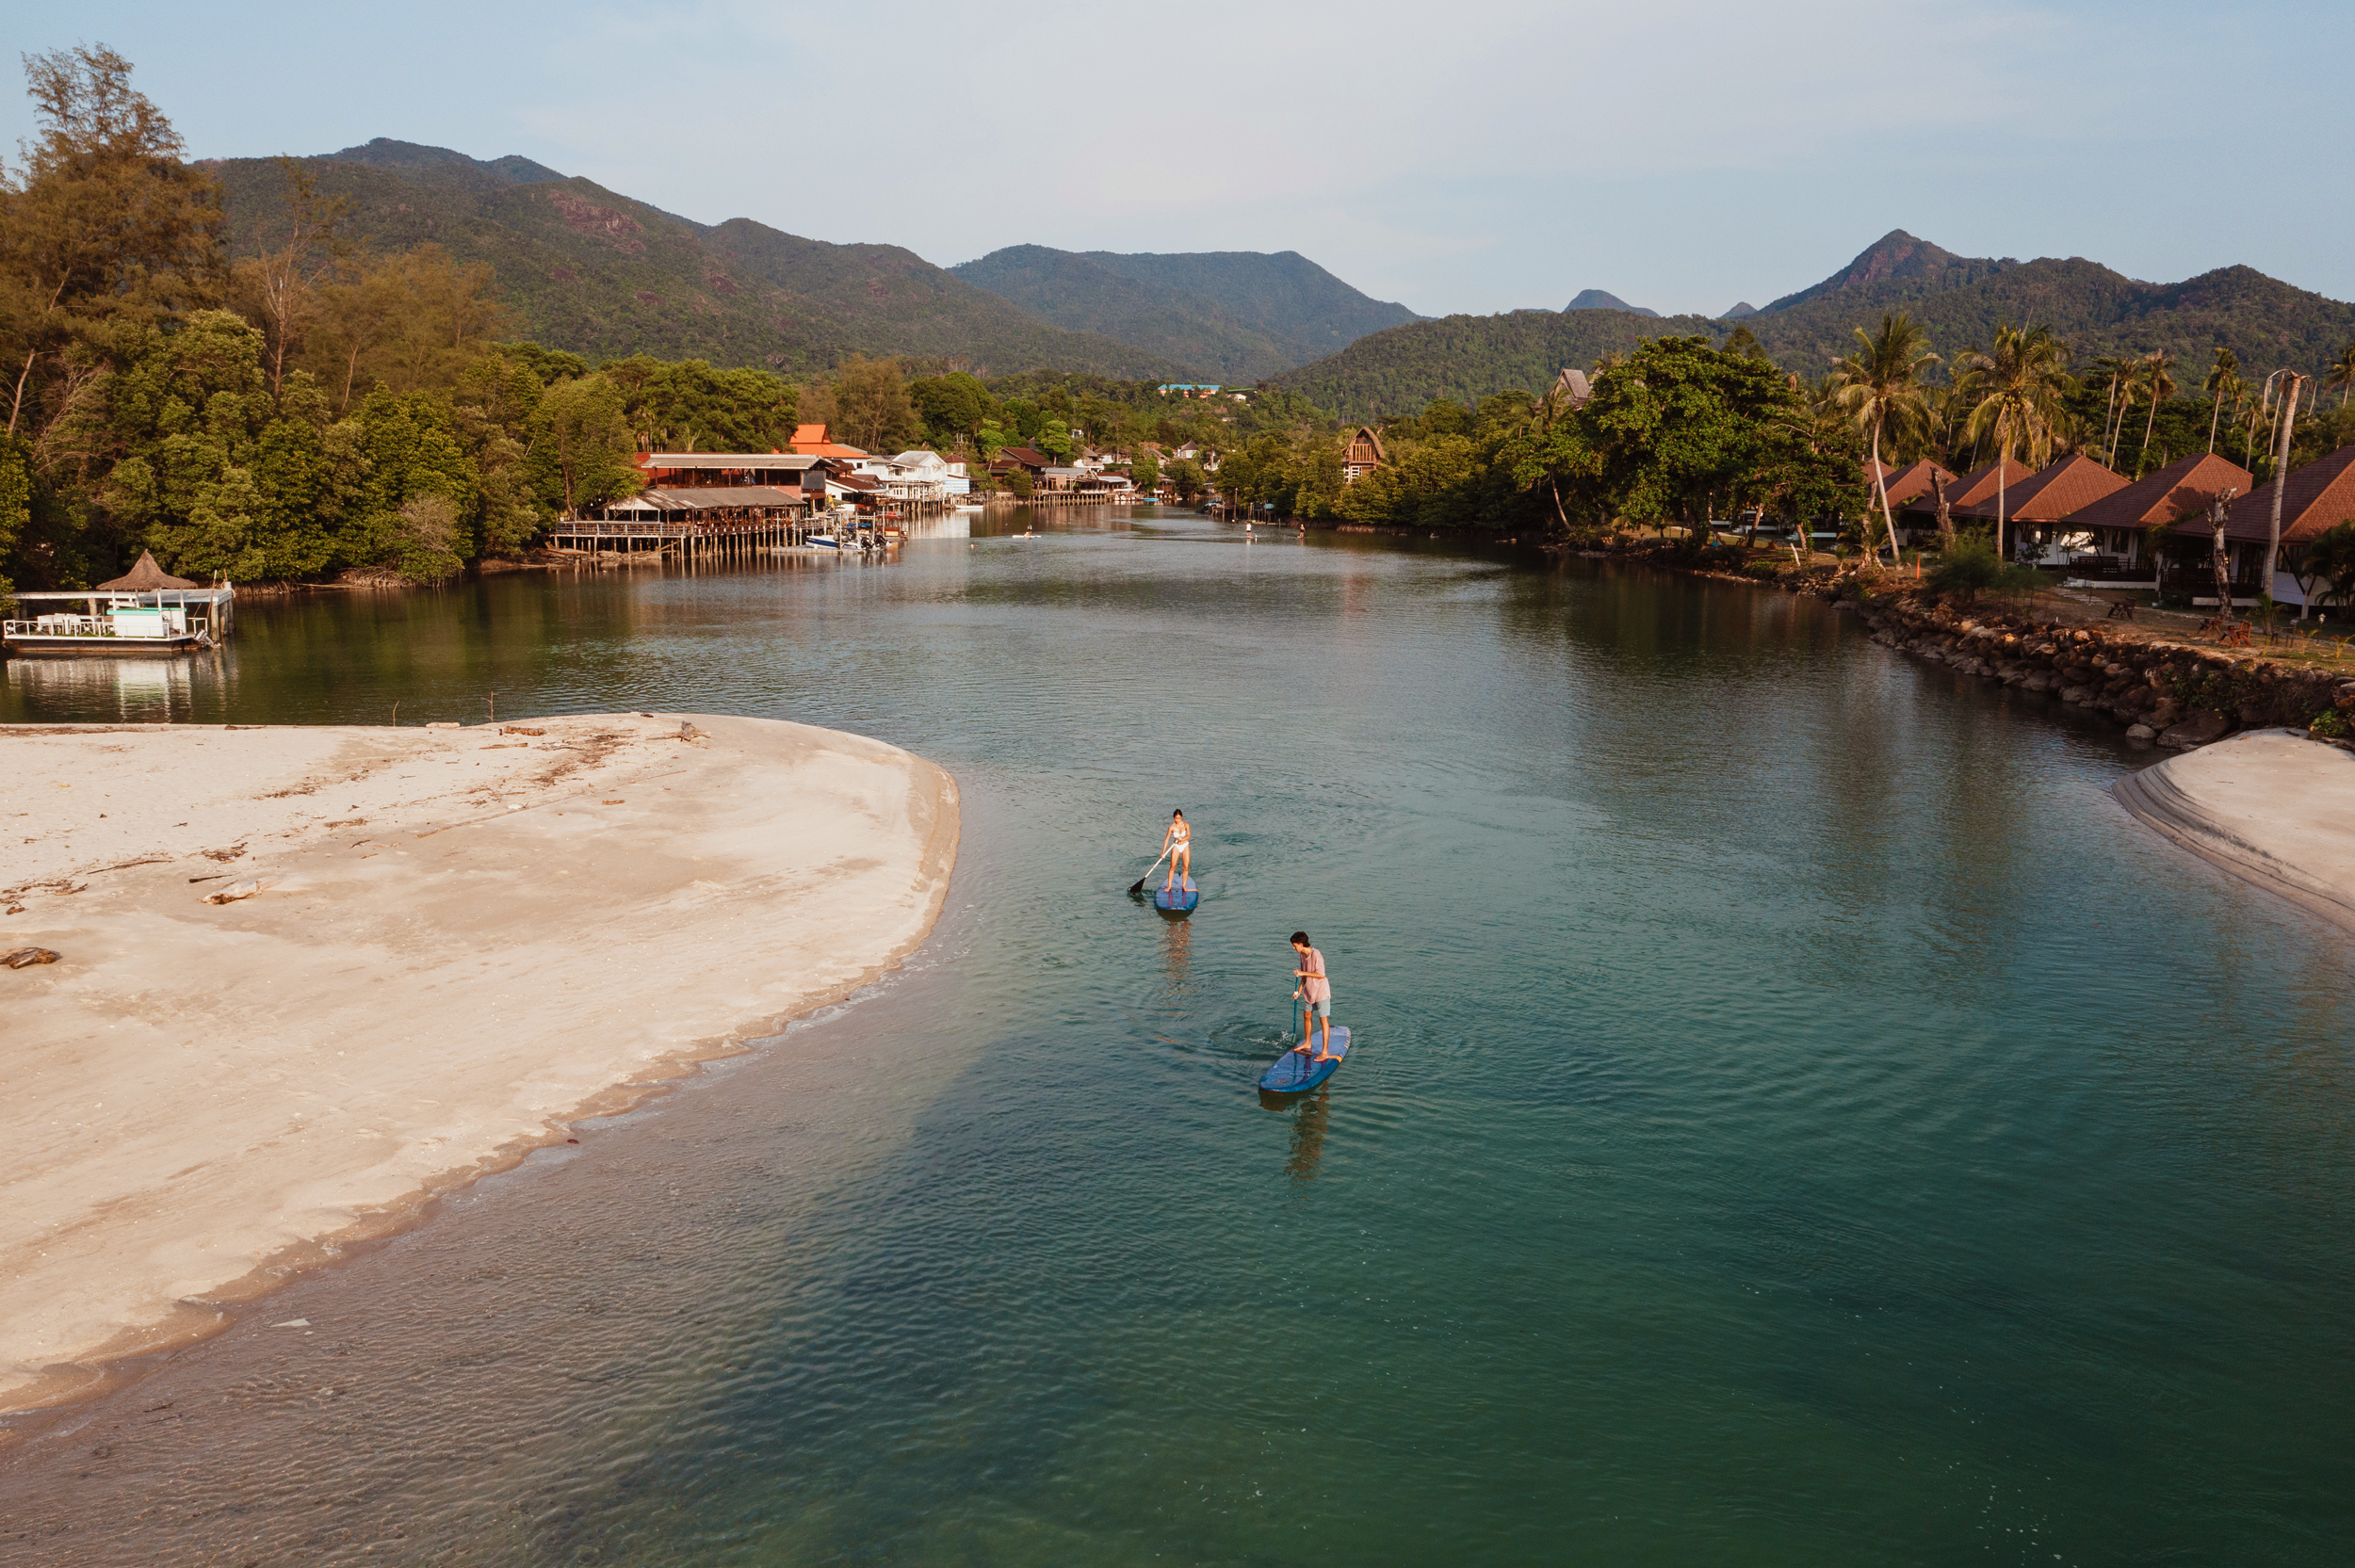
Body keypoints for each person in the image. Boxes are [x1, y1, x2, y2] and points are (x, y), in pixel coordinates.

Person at [1290, 931, 1334, 1060]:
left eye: (1294, 945)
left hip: (1321, 991)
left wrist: (1302, 972)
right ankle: (1308, 1042)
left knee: (1323, 1019)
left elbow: (1321, 974)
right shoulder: (1302, 955)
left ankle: (1324, 1051)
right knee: (1307, 1015)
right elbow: (1303, 976)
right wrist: (1298, 992)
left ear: (1301, 944)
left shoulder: (1316, 955)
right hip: (1309, 991)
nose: (1293, 948)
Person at [1160, 809, 1193, 893]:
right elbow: (1167, 839)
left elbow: (1188, 835)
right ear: (1173, 818)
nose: (1178, 820)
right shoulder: (1171, 827)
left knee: (1185, 867)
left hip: (1185, 845)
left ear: (1181, 817)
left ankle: (1184, 885)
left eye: (1179, 818)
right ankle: (1169, 886)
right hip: (1176, 846)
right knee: (1172, 866)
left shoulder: (1186, 825)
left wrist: (1182, 838)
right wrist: (1163, 852)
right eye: (1176, 818)